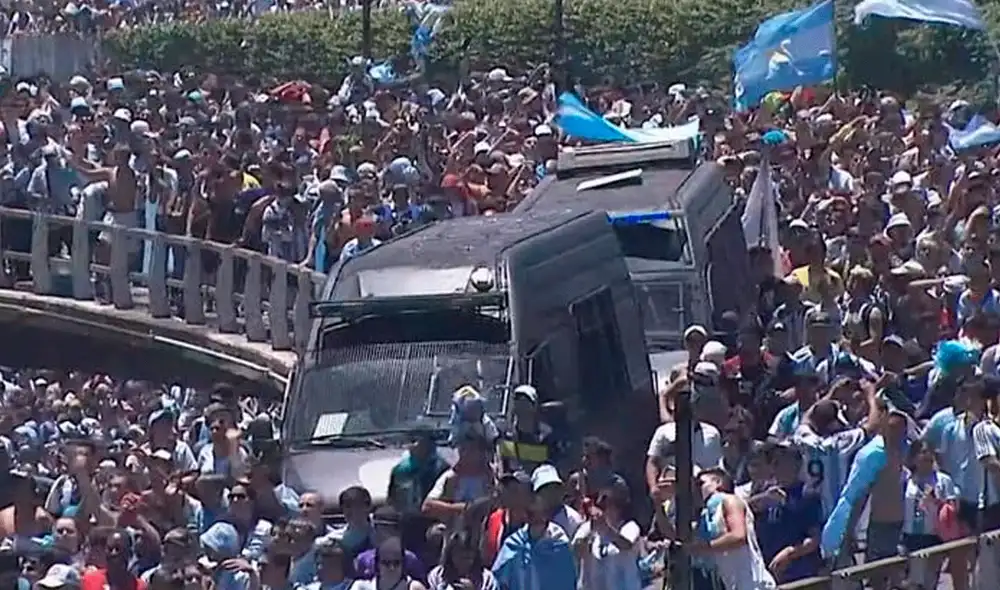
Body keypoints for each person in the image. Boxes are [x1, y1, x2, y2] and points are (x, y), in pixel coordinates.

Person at [691, 469, 776, 590]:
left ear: (718, 482)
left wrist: (702, 547)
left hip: (754, 585)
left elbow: (738, 536)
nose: (696, 489)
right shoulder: (706, 516)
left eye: (700, 484)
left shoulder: (730, 501)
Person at [491, 494, 576, 590]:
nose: (532, 508)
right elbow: (499, 580)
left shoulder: (559, 543)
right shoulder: (514, 543)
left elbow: (568, 581)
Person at [571, 480, 642, 590]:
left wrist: (605, 528)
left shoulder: (630, 527)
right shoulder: (587, 527)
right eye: (602, 504)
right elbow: (576, 550)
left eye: (610, 504)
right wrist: (590, 531)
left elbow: (626, 544)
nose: (605, 508)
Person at [427, 530, 499, 590]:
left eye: (468, 557)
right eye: (459, 556)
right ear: (451, 554)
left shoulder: (487, 579)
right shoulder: (436, 575)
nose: (464, 562)